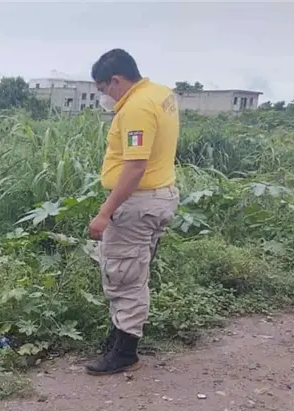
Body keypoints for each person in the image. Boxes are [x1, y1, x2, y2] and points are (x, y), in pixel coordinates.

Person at [86, 49, 180, 376]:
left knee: (123, 276)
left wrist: (104, 212)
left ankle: (125, 352)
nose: (105, 97)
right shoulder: (160, 94)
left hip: (136, 204)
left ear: (116, 80)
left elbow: (135, 166)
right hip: (160, 195)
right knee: (134, 271)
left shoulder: (137, 108)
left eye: (104, 90)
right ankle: (120, 336)